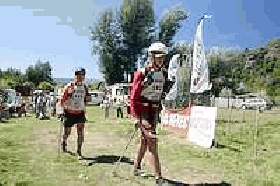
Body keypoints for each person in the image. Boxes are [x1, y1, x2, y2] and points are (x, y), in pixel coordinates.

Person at [130, 42, 174, 186]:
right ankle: (159, 177)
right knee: (152, 141)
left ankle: (136, 167)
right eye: (157, 56)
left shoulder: (165, 74)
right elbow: (133, 97)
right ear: (151, 56)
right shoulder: (142, 73)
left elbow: (162, 94)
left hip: (154, 112)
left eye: (163, 57)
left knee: (144, 141)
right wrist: (135, 117)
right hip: (143, 110)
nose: (160, 59)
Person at [60, 67, 90, 156]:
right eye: (78, 75)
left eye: (82, 75)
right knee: (67, 132)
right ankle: (64, 141)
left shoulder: (85, 87)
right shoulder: (69, 86)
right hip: (69, 112)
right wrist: (61, 111)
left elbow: (87, 98)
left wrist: (88, 98)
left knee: (80, 132)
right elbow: (62, 100)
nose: (80, 77)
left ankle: (79, 151)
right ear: (75, 76)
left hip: (80, 113)